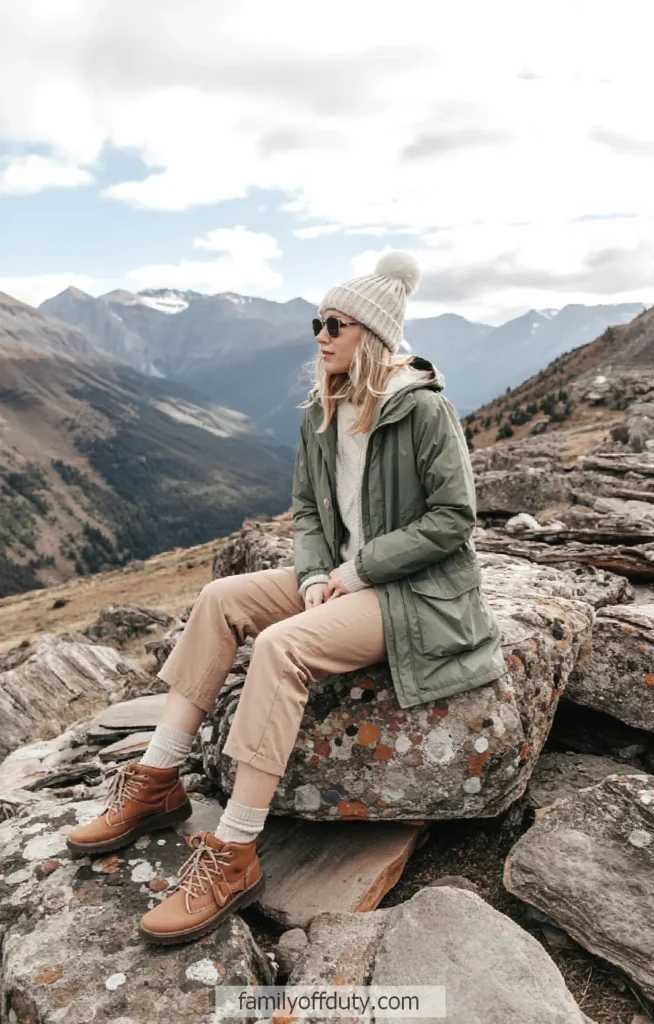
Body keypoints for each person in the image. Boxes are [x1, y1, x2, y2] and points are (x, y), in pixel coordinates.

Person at [65, 251, 506, 945]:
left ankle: (234, 852)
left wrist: (357, 574)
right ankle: (156, 782)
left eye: (336, 324)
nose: (321, 335)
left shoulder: (422, 411)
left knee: (280, 645)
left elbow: (453, 519)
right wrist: (309, 577)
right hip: (336, 578)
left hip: (415, 594)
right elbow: (305, 513)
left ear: (372, 334)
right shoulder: (322, 410)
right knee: (219, 599)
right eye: (317, 322)